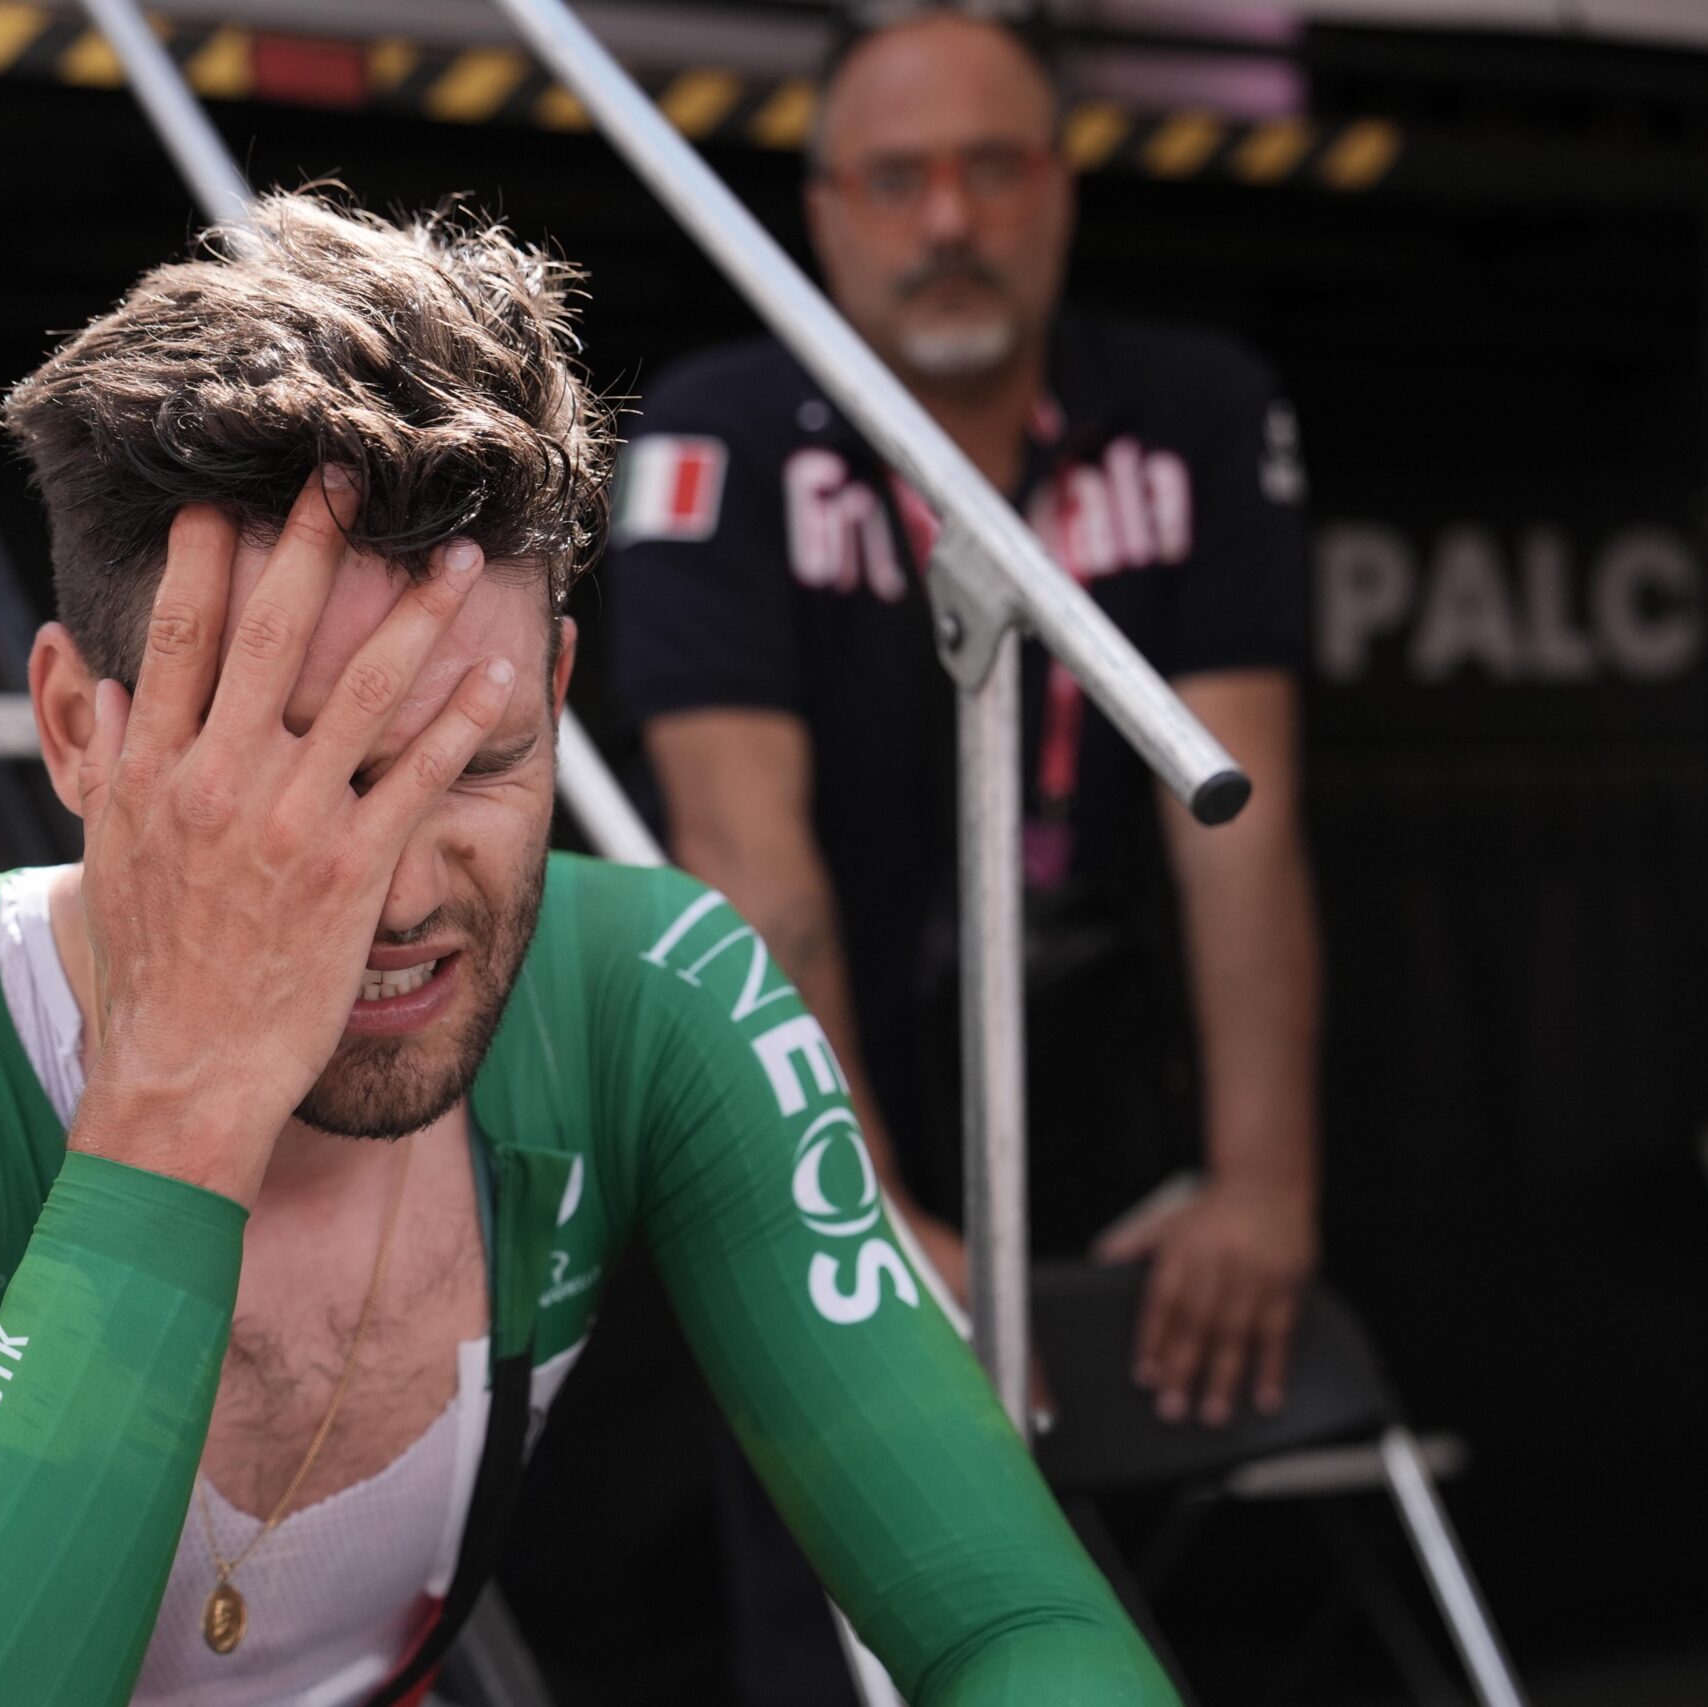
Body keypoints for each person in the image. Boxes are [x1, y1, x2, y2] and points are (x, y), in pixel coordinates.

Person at [0, 193, 1172, 1707]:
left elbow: (1017, 1621)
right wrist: (177, 1106)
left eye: (477, 764)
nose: (393, 888)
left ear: (557, 693)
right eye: (287, 768)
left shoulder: (651, 989)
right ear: (72, 728)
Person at [606, 8, 1319, 1699]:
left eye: (993, 170)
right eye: (898, 178)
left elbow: (1241, 817)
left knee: (1134, 1602)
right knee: (848, 1596)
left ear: (1061, 187)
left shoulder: (1193, 409)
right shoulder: (724, 431)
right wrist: (854, 1217)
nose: (948, 222)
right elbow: (744, 851)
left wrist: (1265, 1182)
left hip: (1102, 1091)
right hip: (827, 1108)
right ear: (823, 208)